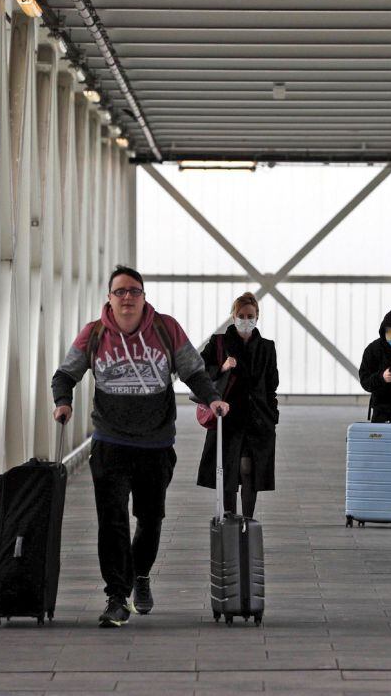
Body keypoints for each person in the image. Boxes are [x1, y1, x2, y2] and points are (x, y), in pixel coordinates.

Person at [51, 265, 229, 628]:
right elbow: (65, 373)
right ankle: (117, 596)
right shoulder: (94, 333)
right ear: (109, 297)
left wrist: (212, 398)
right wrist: (63, 401)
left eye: (134, 291)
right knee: (112, 519)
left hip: (155, 442)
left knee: (150, 518)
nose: (127, 297)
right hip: (110, 441)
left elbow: (193, 371)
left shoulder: (166, 329)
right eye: (120, 291)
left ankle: (141, 575)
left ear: (144, 296)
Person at [196, 292, 279, 518]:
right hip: (227, 418)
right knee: (229, 471)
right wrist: (221, 368)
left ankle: (249, 519)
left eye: (250, 315)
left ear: (257, 317)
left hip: (258, 419)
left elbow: (271, 384)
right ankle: (231, 518)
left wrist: (272, 414)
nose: (245, 319)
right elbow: (199, 371)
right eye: (241, 315)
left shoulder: (266, 347)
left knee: (250, 469)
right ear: (233, 316)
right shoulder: (219, 342)